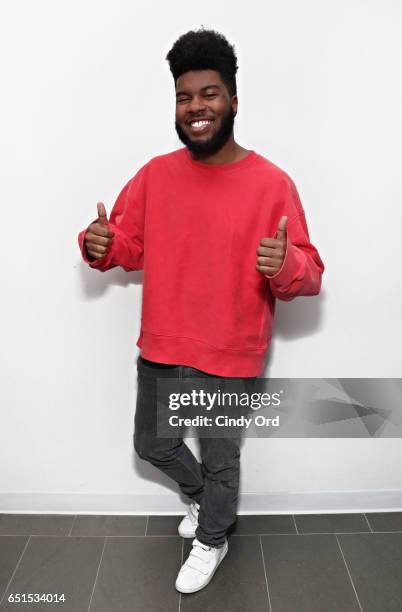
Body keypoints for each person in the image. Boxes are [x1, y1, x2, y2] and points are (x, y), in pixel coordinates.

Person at [77, 27, 325, 594]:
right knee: (151, 443)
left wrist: (284, 263)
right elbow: (125, 242)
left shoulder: (271, 182)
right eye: (185, 97)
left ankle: (212, 536)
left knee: (220, 459)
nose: (197, 107)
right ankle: (202, 501)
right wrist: (100, 245)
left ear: (233, 101)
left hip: (230, 355)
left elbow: (309, 274)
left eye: (209, 94)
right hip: (164, 344)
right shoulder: (155, 174)